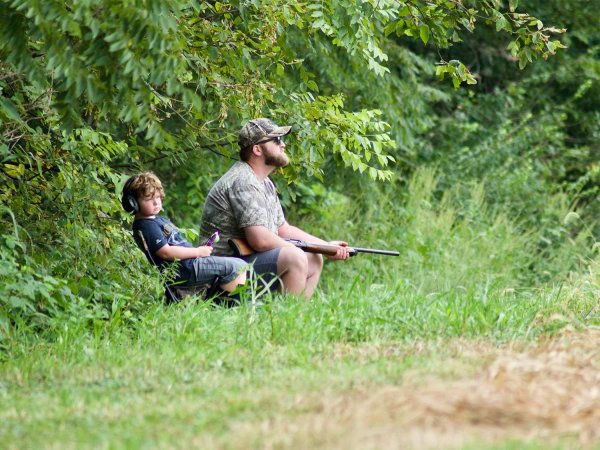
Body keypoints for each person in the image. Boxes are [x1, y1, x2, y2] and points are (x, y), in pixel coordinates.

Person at [199, 118, 349, 299]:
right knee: (296, 257)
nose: (283, 145)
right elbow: (260, 240)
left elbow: (283, 229)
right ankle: (285, 323)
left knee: (314, 259)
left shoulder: (264, 183)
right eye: (277, 140)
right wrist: (299, 249)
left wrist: (324, 247)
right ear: (257, 149)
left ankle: (295, 319)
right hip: (220, 273)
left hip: (241, 262)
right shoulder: (243, 181)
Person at [121, 171, 247, 301]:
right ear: (133, 203)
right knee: (237, 267)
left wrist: (198, 252)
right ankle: (225, 307)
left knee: (239, 265)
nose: (156, 202)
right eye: (149, 199)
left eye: (158, 197)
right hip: (185, 270)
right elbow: (166, 252)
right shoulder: (146, 226)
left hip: (189, 265)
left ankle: (220, 306)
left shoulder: (156, 220)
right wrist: (197, 251)